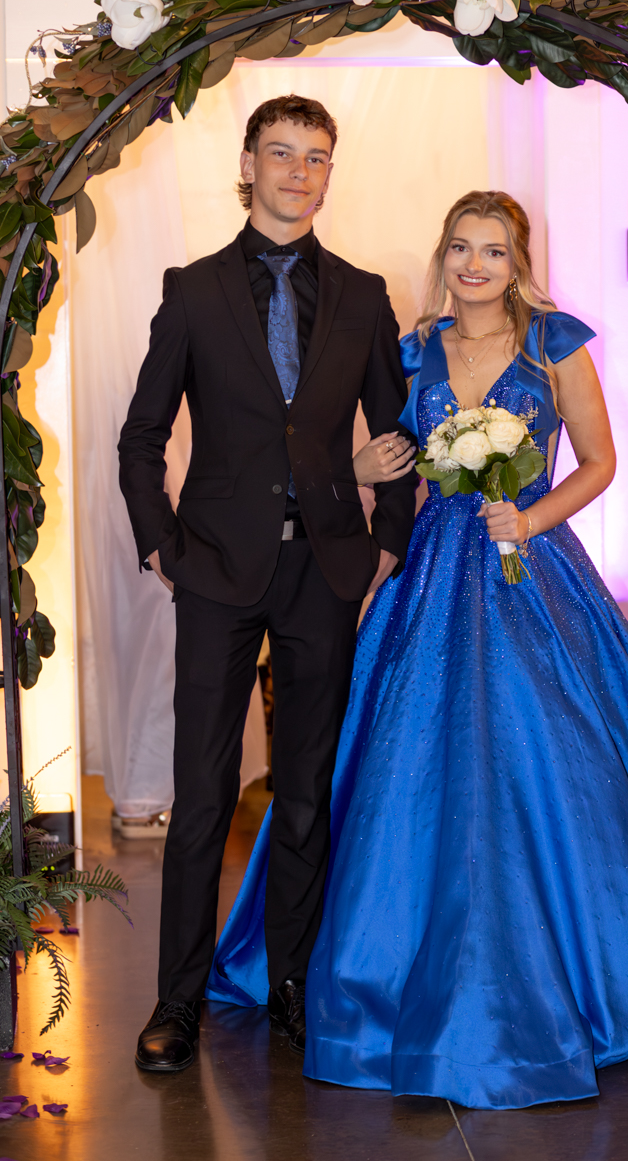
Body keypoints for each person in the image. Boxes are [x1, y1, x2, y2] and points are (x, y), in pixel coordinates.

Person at [209, 191, 628, 1108]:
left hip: (534, 567)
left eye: (496, 251)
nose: (476, 266)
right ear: (443, 255)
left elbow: (597, 462)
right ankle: (379, 962)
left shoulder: (557, 344)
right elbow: (385, 459)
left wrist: (531, 514)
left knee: (562, 761)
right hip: (429, 570)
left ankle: (594, 965)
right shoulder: (408, 350)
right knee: (397, 762)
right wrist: (357, 475)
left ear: (519, 261)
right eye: (462, 249)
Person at [118, 94, 417, 1073]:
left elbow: (396, 440)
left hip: (323, 571)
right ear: (246, 163)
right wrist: (161, 545)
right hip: (213, 571)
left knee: (302, 794)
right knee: (201, 793)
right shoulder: (193, 291)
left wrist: (384, 545)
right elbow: (142, 438)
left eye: (316, 157)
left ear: (330, 172)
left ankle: (292, 984)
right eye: (280, 153)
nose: (298, 171)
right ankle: (177, 1003)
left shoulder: (367, 296)